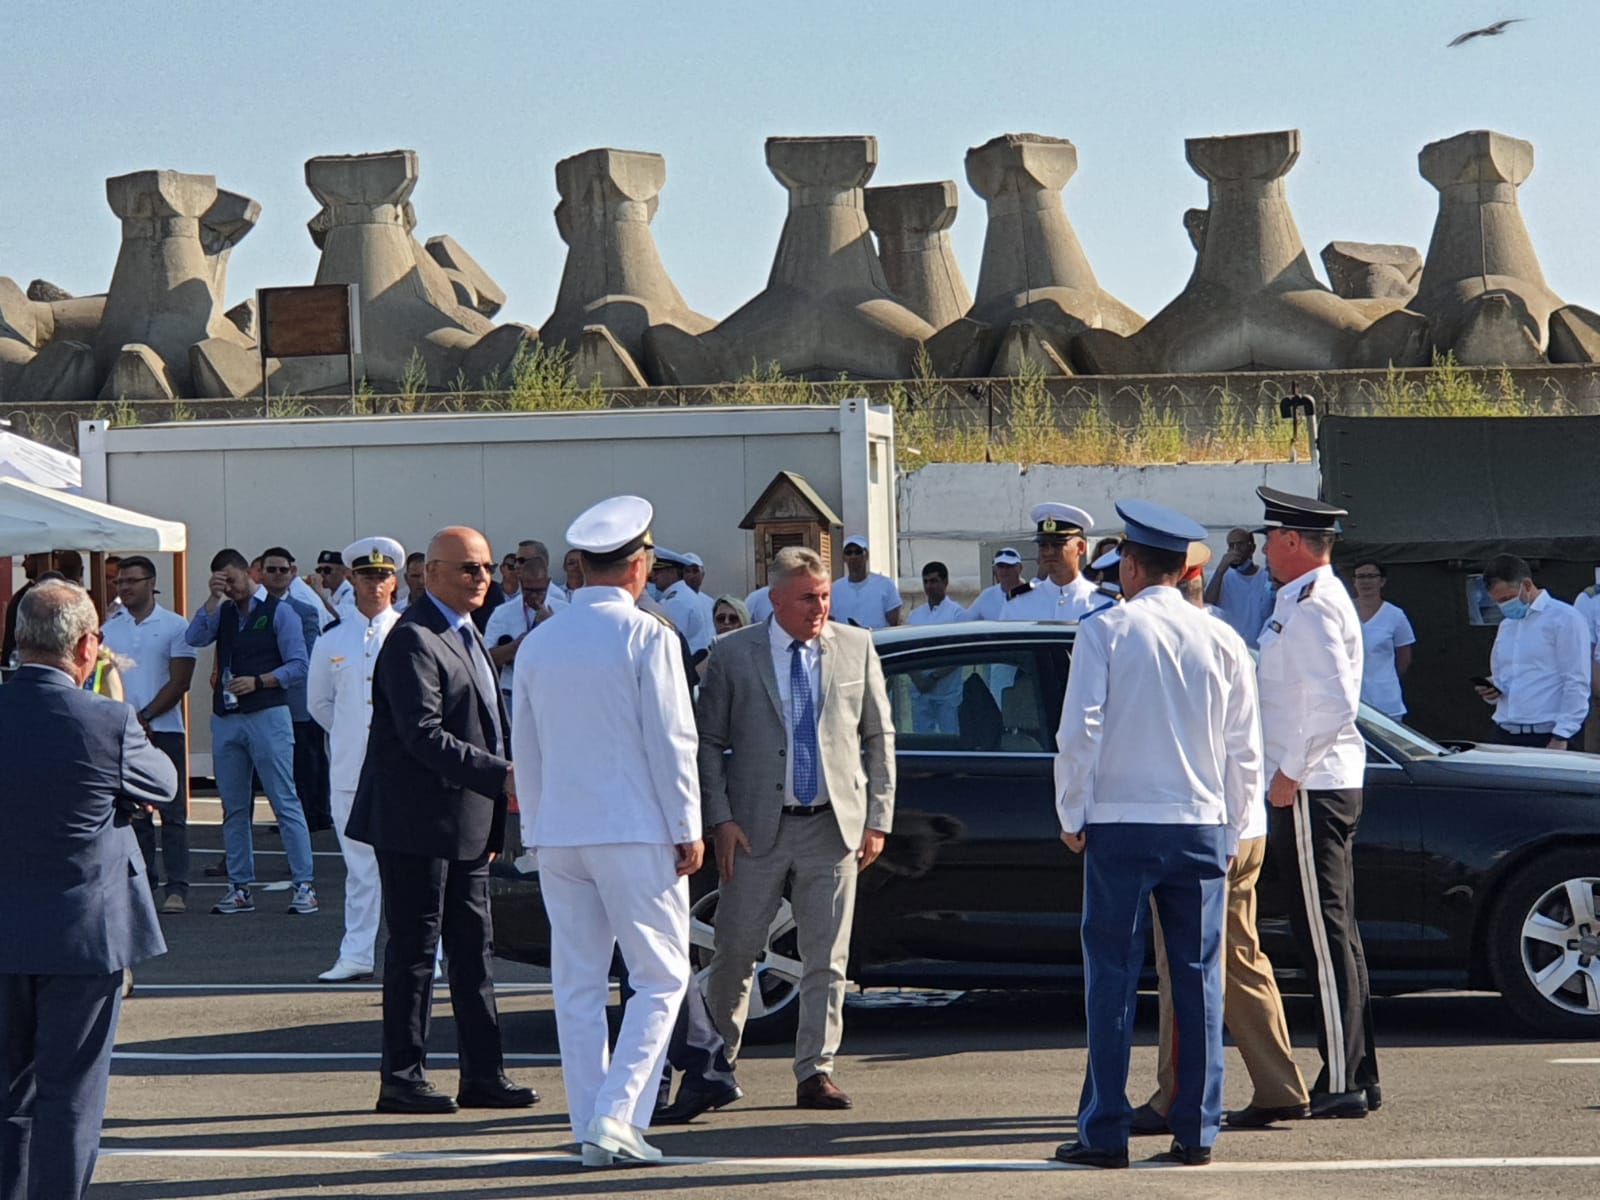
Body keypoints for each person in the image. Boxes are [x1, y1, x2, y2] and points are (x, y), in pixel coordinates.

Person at [1052, 501, 1260, 1170]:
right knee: (1199, 979)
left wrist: (1071, 812)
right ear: (1185, 568)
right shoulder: (1223, 638)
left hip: (1119, 822)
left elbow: (1079, 732)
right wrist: (1237, 824)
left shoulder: (1105, 630)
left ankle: (1105, 1131)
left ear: (1133, 567)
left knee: (1111, 978)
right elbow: (1244, 747)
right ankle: (1196, 1130)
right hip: (1201, 822)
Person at [511, 496, 702, 1166]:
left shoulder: (540, 641)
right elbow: (672, 741)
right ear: (639, 564)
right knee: (662, 976)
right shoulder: (648, 635)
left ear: (581, 566)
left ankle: (594, 1122)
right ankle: (616, 1116)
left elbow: (525, 747)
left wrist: (537, 829)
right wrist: (687, 825)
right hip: (633, 828)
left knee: (579, 985)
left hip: (561, 831)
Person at [345, 526, 534, 1116]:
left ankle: (484, 1075)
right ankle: (403, 1078)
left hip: (467, 822)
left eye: (487, 568)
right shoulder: (414, 637)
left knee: (474, 952)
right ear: (430, 573)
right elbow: (422, 734)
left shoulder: (467, 630)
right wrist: (501, 776)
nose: (482, 578)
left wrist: (493, 802)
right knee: (415, 951)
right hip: (416, 823)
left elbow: (488, 723)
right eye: (468, 568)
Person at [700, 545, 895, 1111]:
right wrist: (720, 819)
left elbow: (879, 737)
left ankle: (816, 1070)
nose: (820, 607)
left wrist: (877, 819)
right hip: (754, 829)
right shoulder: (734, 653)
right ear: (776, 599)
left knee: (826, 959)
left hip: (831, 826)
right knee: (735, 952)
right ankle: (715, 1066)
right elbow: (708, 743)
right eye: (808, 597)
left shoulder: (855, 646)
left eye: (825, 596)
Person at [0, 579, 177, 1200]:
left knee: (8, 1099)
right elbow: (163, 783)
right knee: (70, 1098)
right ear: (85, 647)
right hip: (82, 935)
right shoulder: (105, 718)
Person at [1128, 545, 1310, 1137]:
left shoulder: (1166, 640)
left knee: (1185, 966)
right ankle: (1279, 1085)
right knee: (1237, 958)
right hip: (1240, 823)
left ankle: (1176, 1096)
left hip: (1209, 827)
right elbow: (1246, 747)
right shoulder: (1225, 637)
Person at [1254, 486, 1378, 1119]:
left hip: (1312, 784)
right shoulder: (1299, 599)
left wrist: (1289, 773)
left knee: (1323, 935)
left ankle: (1343, 1081)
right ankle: (1358, 1070)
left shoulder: (1315, 605)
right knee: (1337, 930)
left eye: (1271, 538)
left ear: (1293, 541)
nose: (1265, 550)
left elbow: (1334, 703)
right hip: (1317, 780)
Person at [185, 548, 317, 917]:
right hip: (227, 716)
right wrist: (212, 599)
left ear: (250, 573)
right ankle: (239, 886)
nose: (230, 587)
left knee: (283, 799)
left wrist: (261, 680)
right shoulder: (223, 611)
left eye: (232, 579)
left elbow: (299, 665)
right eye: (222, 582)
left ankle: (304, 884)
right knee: (234, 805)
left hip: (268, 713)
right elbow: (194, 637)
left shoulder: (280, 612)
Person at [307, 538, 406, 984]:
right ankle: (357, 953)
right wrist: (353, 736)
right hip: (351, 767)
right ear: (352, 579)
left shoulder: (408, 633)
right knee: (360, 868)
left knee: (411, 868)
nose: (375, 584)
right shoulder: (333, 639)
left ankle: (427, 951)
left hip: (403, 769)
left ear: (394, 582)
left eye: (383, 576)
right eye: (367, 576)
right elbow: (319, 704)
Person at [100, 555, 197, 914]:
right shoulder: (109, 629)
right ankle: (143, 885)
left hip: (165, 729)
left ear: (151, 583)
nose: (123, 587)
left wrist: (147, 715)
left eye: (131, 581)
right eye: (119, 582)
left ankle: (177, 887)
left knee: (173, 813)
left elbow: (180, 681)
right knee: (134, 813)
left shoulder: (175, 626)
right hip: (123, 732)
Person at [1475, 554, 1591, 749]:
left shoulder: (1564, 618)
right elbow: (1504, 676)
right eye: (1498, 602)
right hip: (1503, 730)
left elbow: (1576, 680)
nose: (1504, 606)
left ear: (1527, 585)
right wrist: (1492, 688)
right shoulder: (1507, 625)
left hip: (1546, 734)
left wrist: (1562, 734)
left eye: (1507, 598)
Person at [260, 547, 333, 834]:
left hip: (299, 695)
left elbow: (308, 656)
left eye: (283, 570)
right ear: (261, 573)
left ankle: (314, 814)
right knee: (282, 761)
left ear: (293, 572)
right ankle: (296, 815)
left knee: (307, 758)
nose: (278, 575)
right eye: (271, 569)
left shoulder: (305, 609)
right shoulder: (252, 608)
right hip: (267, 696)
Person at [484, 546, 567, 710]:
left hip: (552, 691)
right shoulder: (503, 612)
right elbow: (486, 658)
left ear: (548, 583)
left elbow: (576, 653)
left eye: (540, 591)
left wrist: (552, 626)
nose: (535, 596)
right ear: (521, 582)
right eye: (529, 591)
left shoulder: (565, 611)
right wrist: (515, 646)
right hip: (513, 692)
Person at [1001, 503, 1099, 621]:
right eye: (1043, 545)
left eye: (1058, 545)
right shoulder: (1017, 603)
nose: (1049, 552)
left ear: (1081, 547)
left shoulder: (1102, 604)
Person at [905, 561, 966, 733]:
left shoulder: (957, 614)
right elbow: (907, 651)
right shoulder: (914, 615)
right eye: (926, 582)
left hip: (948, 694)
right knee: (923, 743)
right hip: (920, 692)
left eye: (934, 581)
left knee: (951, 741)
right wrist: (918, 678)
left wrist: (933, 677)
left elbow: (960, 653)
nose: (929, 586)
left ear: (945, 582)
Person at [1351, 561, 1416, 720]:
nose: (1366, 581)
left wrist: (1385, 679)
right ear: (1354, 581)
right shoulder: (1342, 611)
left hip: (1385, 700)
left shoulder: (1396, 615)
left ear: (1382, 581)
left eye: (1371, 576)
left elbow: (1404, 658)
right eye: (1361, 576)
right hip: (1349, 698)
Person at [1203, 528, 1275, 649]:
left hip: (1259, 649)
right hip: (1230, 648)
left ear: (1252, 548)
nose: (1235, 550)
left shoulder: (1266, 577)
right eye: (1231, 546)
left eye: (1240, 544)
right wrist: (1220, 571)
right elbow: (1208, 604)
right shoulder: (1222, 576)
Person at [828, 534, 903, 628]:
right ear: (844, 557)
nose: (853, 556)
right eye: (849, 552)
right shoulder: (835, 589)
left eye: (858, 552)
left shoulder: (886, 585)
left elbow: (895, 624)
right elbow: (830, 623)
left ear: (866, 555)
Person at [652, 547, 713, 654]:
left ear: (671, 572)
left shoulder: (676, 602)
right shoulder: (683, 595)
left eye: (657, 572)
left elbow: (670, 642)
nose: (653, 577)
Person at [959, 547, 1025, 622]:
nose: (1004, 570)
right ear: (995, 569)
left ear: (1020, 568)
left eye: (1009, 566)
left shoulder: (1031, 594)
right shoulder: (987, 596)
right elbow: (966, 620)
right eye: (1000, 566)